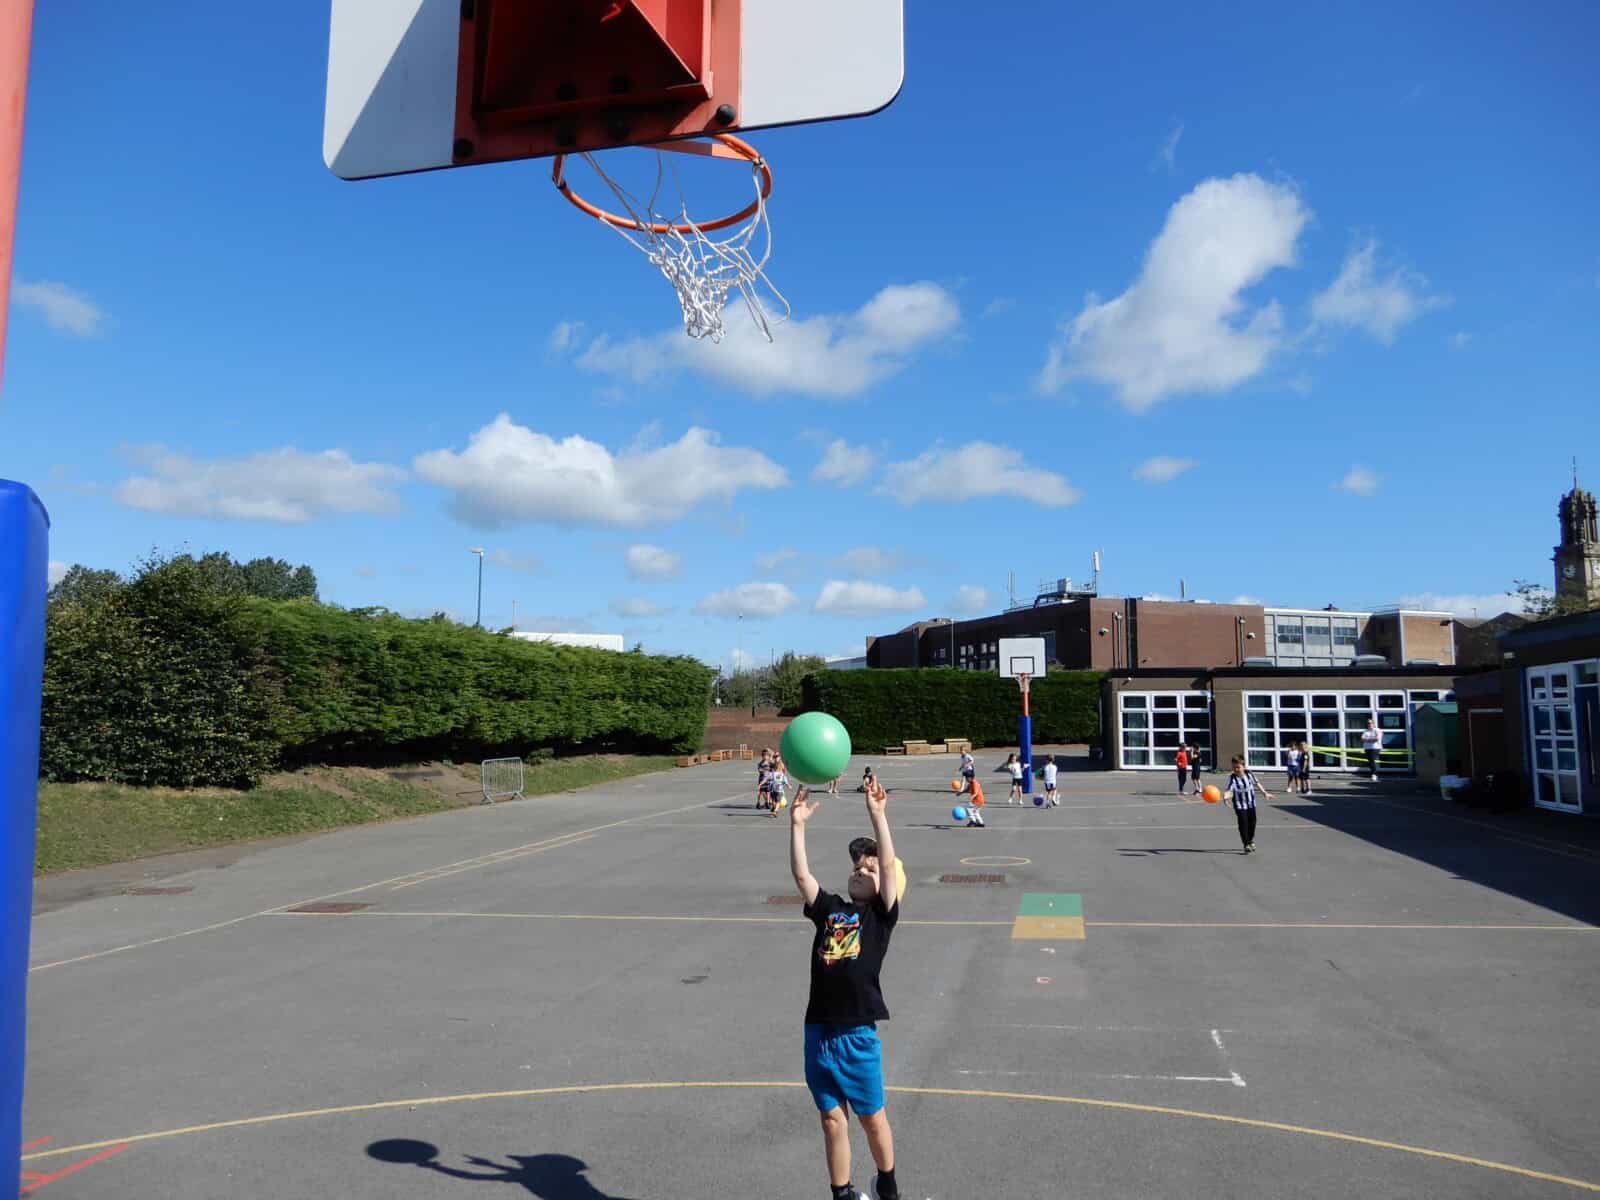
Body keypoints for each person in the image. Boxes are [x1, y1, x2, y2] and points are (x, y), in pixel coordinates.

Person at [789, 779, 904, 1200]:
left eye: (869, 870)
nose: (861, 871)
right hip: (818, 1030)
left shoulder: (881, 917)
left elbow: (887, 865)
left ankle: (887, 1184)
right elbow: (802, 875)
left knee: (871, 1118)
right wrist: (797, 825)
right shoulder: (831, 909)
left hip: (857, 1034)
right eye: (857, 867)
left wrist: (877, 814)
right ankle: (841, 1193)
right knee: (831, 1120)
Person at [1223, 755, 1271, 853]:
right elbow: (1229, 790)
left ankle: (1250, 840)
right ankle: (1246, 844)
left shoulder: (1249, 774)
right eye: (1234, 767)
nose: (1236, 769)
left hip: (1251, 803)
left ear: (1244, 766)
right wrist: (1225, 797)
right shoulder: (1232, 778)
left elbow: (1257, 783)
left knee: (1252, 822)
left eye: (1238, 767)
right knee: (1243, 823)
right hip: (1239, 805)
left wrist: (1265, 793)